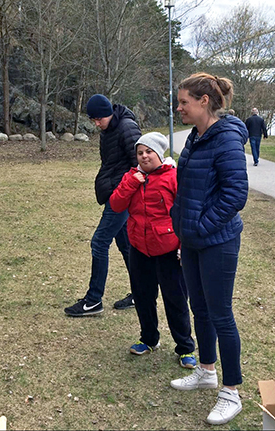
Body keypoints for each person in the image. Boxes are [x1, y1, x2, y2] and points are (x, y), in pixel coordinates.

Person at [169, 73, 248, 425]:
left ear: (204, 101)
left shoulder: (227, 139)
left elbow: (235, 194)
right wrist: (181, 225)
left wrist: (199, 227)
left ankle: (230, 392)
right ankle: (206, 370)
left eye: (184, 101)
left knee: (221, 315)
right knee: (199, 308)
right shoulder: (194, 138)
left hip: (217, 241)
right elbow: (185, 186)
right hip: (192, 240)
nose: (179, 107)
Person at [109, 132, 197, 368]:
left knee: (176, 300)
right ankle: (149, 339)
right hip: (138, 248)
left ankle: (185, 348)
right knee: (143, 296)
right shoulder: (132, 176)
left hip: (168, 250)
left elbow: (185, 214)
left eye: (149, 152)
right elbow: (116, 204)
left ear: (159, 154)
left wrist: (183, 246)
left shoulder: (173, 177)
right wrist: (131, 182)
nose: (144, 156)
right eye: (140, 153)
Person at [64, 94, 141, 317]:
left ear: (109, 112)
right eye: (93, 120)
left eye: (99, 119)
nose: (96, 124)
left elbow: (141, 162)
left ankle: (93, 300)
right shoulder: (109, 130)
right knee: (126, 246)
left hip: (121, 197)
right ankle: (140, 292)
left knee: (99, 243)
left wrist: (124, 191)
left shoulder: (127, 127)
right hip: (113, 194)